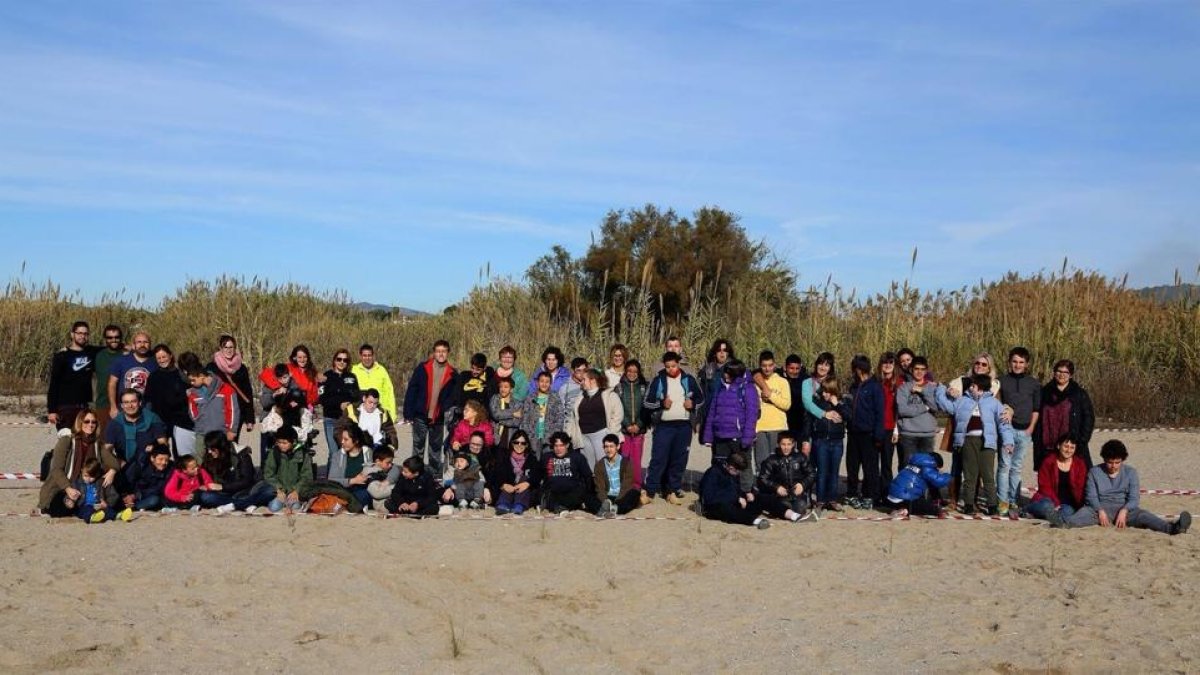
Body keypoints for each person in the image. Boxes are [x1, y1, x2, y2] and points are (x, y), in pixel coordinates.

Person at [1058, 440, 1191, 535]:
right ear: (1104, 459)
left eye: (1117, 462)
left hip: (1125, 510)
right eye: (1110, 462)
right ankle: (1060, 523)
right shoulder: (1094, 472)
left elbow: (1134, 498)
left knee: (1145, 516)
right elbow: (1091, 497)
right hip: (1098, 511)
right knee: (1078, 517)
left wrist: (1125, 510)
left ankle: (1173, 528)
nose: (1114, 466)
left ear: (1122, 460)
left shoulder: (1131, 472)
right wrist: (1100, 510)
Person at [936, 373, 1014, 516]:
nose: (970, 387)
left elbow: (1004, 423)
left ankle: (992, 505)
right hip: (967, 442)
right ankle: (969, 504)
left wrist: (1008, 442)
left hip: (987, 443)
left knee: (988, 475)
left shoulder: (993, 403)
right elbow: (946, 405)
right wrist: (940, 389)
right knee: (970, 475)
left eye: (973, 385)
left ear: (979, 388)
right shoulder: (962, 400)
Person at [642, 351, 705, 504]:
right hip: (664, 426)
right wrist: (661, 403)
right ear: (664, 366)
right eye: (668, 366)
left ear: (679, 363)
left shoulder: (688, 379)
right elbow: (646, 403)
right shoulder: (658, 380)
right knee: (658, 459)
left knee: (679, 460)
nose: (671, 369)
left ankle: (672, 491)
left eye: (674, 366)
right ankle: (649, 492)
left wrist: (693, 404)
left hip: (684, 426)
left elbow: (701, 398)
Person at [37, 410, 120, 516]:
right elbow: (56, 469)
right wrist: (67, 488)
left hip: (85, 486)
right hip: (63, 486)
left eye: (93, 422)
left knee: (111, 500)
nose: (90, 425)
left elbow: (114, 462)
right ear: (79, 422)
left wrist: (112, 471)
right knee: (64, 506)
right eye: (87, 421)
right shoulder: (67, 440)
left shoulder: (97, 443)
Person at [997, 346, 1041, 517]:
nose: (1017, 365)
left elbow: (1036, 409)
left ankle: (1014, 499)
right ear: (1009, 362)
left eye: (1021, 362)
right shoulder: (1001, 381)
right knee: (1003, 466)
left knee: (1016, 468)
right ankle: (1003, 502)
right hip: (1006, 430)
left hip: (1024, 432)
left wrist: (1031, 428)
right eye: (1014, 361)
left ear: (1026, 364)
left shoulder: (1034, 384)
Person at [403, 340, 456, 477]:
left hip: (438, 418)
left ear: (448, 353)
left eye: (444, 351)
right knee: (418, 446)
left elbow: (452, 396)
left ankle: (433, 474)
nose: (441, 354)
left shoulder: (453, 373)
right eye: (438, 351)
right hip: (421, 415)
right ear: (434, 352)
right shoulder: (423, 368)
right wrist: (408, 412)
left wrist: (446, 409)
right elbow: (412, 390)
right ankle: (416, 472)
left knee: (435, 449)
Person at [1033, 359, 1095, 469]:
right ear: (1054, 372)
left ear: (1070, 375)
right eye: (1059, 371)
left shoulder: (1079, 394)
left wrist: (1082, 440)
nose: (1062, 375)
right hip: (1048, 446)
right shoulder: (1044, 392)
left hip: (1071, 444)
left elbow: (1088, 418)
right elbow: (1037, 416)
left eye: (1065, 372)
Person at [700, 359, 759, 468]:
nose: (725, 375)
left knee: (741, 470)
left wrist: (747, 438)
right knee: (720, 468)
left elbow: (752, 415)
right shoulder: (720, 388)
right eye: (725, 372)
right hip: (720, 436)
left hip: (738, 437)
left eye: (728, 373)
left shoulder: (748, 389)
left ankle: (744, 486)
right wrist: (708, 437)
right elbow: (712, 413)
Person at [845, 355, 886, 509]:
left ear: (858, 370)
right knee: (852, 467)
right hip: (853, 433)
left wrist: (878, 435)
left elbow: (879, 413)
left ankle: (870, 495)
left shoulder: (875, 387)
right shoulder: (853, 387)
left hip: (869, 434)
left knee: (870, 468)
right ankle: (851, 493)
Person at [749, 350, 792, 493]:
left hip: (778, 427)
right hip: (760, 427)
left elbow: (787, 404)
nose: (767, 368)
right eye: (764, 365)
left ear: (775, 365)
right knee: (762, 462)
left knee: (778, 462)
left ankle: (779, 491)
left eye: (770, 365)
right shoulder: (755, 381)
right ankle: (764, 492)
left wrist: (771, 396)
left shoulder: (782, 382)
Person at [46, 321, 101, 430]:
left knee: (82, 441)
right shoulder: (61, 356)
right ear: (72, 334)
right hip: (65, 406)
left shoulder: (92, 352)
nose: (82, 336)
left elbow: (113, 348)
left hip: (84, 406)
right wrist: (52, 410)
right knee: (65, 440)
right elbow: (54, 384)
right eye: (79, 333)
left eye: (85, 334)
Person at [180, 351, 240, 450]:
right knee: (200, 460)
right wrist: (199, 421)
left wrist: (232, 430)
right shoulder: (193, 393)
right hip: (202, 432)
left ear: (201, 375)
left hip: (221, 432)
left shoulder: (226, 389)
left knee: (223, 460)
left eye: (193, 380)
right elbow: (192, 412)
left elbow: (233, 410)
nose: (191, 383)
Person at [1022, 433, 1087, 522]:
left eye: (1072, 448)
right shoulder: (1048, 462)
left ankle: (1040, 515)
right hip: (1049, 500)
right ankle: (1025, 509)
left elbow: (1081, 487)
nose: (1068, 450)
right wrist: (1056, 504)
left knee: (1066, 514)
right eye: (1066, 446)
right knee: (1046, 506)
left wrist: (1081, 505)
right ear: (1058, 446)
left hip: (1069, 504)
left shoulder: (1080, 464)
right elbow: (1044, 486)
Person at [566, 369, 623, 469]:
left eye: (584, 379)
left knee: (605, 466)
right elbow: (573, 418)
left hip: (601, 435)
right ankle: (590, 485)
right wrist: (568, 434)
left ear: (592, 380)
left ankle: (607, 485)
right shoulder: (580, 397)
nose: (581, 382)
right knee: (588, 468)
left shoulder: (609, 395)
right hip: (584, 437)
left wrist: (611, 433)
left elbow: (618, 415)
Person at [755, 431, 817, 522]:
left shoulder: (800, 457)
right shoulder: (771, 460)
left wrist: (803, 485)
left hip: (798, 495)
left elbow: (812, 474)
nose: (786, 447)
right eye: (783, 444)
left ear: (793, 444)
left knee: (800, 508)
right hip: (780, 496)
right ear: (778, 444)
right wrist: (776, 487)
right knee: (781, 507)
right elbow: (762, 479)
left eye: (789, 444)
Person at [144, 344, 194, 457]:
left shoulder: (181, 375)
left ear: (170, 356)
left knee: (181, 453)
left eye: (164, 357)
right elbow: (148, 400)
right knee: (161, 452)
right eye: (159, 358)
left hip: (181, 420)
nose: (162, 360)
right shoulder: (153, 377)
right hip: (161, 421)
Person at [697, 452, 770, 529]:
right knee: (727, 509)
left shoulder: (733, 473)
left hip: (734, 501)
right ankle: (756, 521)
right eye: (738, 471)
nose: (739, 473)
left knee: (759, 498)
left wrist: (748, 493)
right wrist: (736, 498)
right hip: (714, 506)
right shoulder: (713, 472)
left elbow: (736, 489)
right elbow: (709, 497)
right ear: (731, 467)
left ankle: (783, 512)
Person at [809, 377, 850, 511]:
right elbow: (809, 418)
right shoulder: (818, 402)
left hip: (837, 441)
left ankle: (832, 499)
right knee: (822, 471)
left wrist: (837, 404)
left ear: (834, 391)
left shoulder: (843, 402)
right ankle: (820, 500)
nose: (824, 394)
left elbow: (849, 417)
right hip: (821, 440)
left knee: (834, 471)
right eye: (823, 391)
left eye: (828, 392)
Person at [103, 389, 169, 468]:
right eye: (126, 402)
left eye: (133, 401)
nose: (130, 406)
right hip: (123, 466)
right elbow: (107, 449)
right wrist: (114, 466)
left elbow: (163, 444)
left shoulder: (152, 419)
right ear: (121, 405)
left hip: (150, 465)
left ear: (140, 403)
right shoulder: (115, 424)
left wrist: (155, 448)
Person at [207, 335, 255, 440]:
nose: (229, 350)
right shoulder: (212, 367)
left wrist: (249, 418)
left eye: (231, 347)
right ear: (220, 348)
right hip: (219, 412)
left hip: (236, 412)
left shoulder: (241, 368)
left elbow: (247, 393)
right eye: (226, 347)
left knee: (232, 443)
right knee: (217, 444)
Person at [318, 348, 361, 463]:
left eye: (345, 360)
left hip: (347, 420)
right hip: (331, 419)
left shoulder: (352, 377)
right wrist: (339, 404)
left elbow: (357, 396)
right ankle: (330, 479)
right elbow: (322, 399)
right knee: (334, 452)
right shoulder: (325, 377)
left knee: (347, 451)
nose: (342, 362)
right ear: (334, 360)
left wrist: (350, 404)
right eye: (339, 359)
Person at [540, 432, 599, 514]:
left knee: (584, 493)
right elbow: (539, 475)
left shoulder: (577, 457)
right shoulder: (546, 457)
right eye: (556, 446)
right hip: (554, 492)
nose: (558, 449)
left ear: (567, 445)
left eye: (561, 445)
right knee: (547, 496)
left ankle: (601, 510)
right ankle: (560, 507)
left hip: (572, 492)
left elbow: (587, 476)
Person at [895, 356, 940, 463]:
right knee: (910, 468)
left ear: (926, 371)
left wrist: (922, 391)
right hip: (909, 435)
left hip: (927, 435)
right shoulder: (903, 388)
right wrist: (924, 407)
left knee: (926, 469)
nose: (919, 372)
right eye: (916, 369)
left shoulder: (932, 388)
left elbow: (936, 407)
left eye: (922, 369)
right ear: (911, 370)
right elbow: (902, 410)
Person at [199, 431, 257, 512]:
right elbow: (202, 475)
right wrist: (203, 486)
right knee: (205, 496)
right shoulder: (209, 456)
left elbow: (246, 480)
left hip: (241, 492)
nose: (209, 452)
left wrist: (223, 487)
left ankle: (238, 503)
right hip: (220, 494)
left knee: (267, 492)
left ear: (221, 447)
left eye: (212, 449)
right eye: (208, 449)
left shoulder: (241, 454)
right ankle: (241, 504)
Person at [261, 425, 315, 513]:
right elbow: (268, 474)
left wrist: (296, 490)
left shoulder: (303, 454)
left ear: (293, 442)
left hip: (295, 492)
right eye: (279, 442)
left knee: (295, 507)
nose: (281, 445)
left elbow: (307, 476)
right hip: (279, 491)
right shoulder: (274, 453)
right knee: (274, 507)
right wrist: (278, 489)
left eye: (285, 443)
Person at [614, 359, 649, 490]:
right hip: (624, 430)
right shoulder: (619, 387)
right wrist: (627, 424)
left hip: (639, 430)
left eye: (635, 371)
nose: (632, 374)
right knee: (624, 458)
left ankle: (636, 485)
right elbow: (618, 408)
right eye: (629, 371)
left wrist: (639, 425)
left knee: (636, 459)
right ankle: (623, 484)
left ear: (639, 372)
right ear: (625, 371)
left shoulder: (644, 387)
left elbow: (647, 409)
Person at [106, 331, 157, 420]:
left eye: (145, 342)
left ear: (150, 345)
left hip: (147, 409)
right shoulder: (121, 361)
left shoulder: (155, 363)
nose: (142, 345)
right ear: (133, 345)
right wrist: (113, 407)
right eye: (139, 342)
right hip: (124, 408)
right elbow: (112, 384)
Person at [885, 452, 952, 517]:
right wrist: (949, 476)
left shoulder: (914, 462)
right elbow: (939, 481)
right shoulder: (927, 466)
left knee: (928, 484)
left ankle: (899, 508)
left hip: (890, 499)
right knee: (932, 509)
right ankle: (904, 510)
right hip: (905, 499)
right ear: (936, 463)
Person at [65, 458, 130, 523]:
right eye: (85, 476)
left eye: (91, 477)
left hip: (99, 506)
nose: (88, 479)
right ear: (82, 471)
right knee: (87, 510)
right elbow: (68, 496)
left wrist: (106, 504)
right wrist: (69, 502)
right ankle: (92, 517)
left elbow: (114, 495)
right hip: (84, 506)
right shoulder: (77, 483)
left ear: (97, 474)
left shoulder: (102, 482)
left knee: (108, 511)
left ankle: (119, 515)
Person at [326, 426, 377, 509]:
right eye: (342, 439)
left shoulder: (367, 453)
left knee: (365, 495)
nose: (342, 442)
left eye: (346, 439)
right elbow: (332, 480)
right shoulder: (337, 456)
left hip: (362, 490)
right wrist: (352, 481)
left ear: (356, 441)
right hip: (343, 490)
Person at [492, 431, 542, 515]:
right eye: (516, 442)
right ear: (512, 443)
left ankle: (519, 505)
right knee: (506, 483)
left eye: (523, 443)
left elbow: (537, 475)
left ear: (527, 445)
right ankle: (503, 504)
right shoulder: (504, 457)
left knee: (525, 478)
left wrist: (527, 483)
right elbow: (496, 474)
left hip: (523, 491)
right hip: (508, 489)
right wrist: (503, 485)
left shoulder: (531, 459)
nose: (519, 445)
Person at [518, 370, 566, 456]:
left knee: (547, 464)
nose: (544, 384)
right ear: (537, 383)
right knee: (534, 463)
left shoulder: (555, 398)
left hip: (549, 438)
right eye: (542, 381)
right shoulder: (530, 398)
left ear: (551, 383)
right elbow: (525, 418)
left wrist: (553, 435)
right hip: (533, 437)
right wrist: (528, 435)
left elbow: (560, 417)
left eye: (547, 382)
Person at [593, 434, 642, 517]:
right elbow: (600, 488)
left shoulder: (627, 463)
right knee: (588, 496)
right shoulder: (599, 465)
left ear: (618, 446)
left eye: (611, 446)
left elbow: (626, 486)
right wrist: (605, 500)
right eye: (606, 447)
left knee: (635, 493)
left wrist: (617, 502)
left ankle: (615, 509)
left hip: (622, 495)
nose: (608, 450)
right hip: (607, 496)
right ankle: (607, 509)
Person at [800, 352, 838, 455]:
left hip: (829, 431)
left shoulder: (834, 383)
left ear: (830, 368)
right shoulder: (807, 382)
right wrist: (824, 414)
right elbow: (807, 404)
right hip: (811, 427)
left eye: (827, 365)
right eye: (821, 364)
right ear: (816, 365)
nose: (823, 367)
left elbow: (839, 404)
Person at [163, 454, 229, 510]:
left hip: (197, 497)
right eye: (193, 468)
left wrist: (206, 487)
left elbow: (210, 484)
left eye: (196, 466)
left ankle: (230, 502)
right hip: (182, 500)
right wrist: (183, 497)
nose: (196, 469)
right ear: (184, 470)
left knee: (207, 496)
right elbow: (169, 492)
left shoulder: (201, 472)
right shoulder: (177, 476)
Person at [876, 352, 901, 495]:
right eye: (885, 362)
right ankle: (873, 493)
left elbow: (899, 409)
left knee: (886, 463)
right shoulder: (875, 382)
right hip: (875, 428)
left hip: (890, 428)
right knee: (872, 463)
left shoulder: (899, 383)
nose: (887, 365)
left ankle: (887, 493)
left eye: (891, 362)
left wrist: (896, 430)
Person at [447, 352, 498, 424]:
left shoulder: (489, 380)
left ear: (484, 368)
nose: (474, 372)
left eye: (478, 369)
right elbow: (456, 394)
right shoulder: (464, 376)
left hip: (480, 417)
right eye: (472, 368)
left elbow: (491, 399)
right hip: (463, 415)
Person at [93, 324, 126, 430]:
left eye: (117, 337)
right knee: (104, 441)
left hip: (124, 404)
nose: (114, 340)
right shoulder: (98, 355)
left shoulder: (127, 355)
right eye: (110, 337)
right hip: (103, 404)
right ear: (105, 339)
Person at [353, 343, 397, 421]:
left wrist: (392, 415)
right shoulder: (354, 370)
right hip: (359, 415)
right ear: (360, 356)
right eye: (364, 355)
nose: (367, 358)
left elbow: (389, 393)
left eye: (369, 355)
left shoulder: (381, 370)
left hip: (379, 415)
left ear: (373, 356)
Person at [122, 446, 173, 511]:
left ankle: (134, 507)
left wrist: (135, 496)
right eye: (160, 459)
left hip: (147, 496)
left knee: (155, 500)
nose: (164, 463)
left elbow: (158, 489)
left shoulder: (169, 470)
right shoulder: (141, 465)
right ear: (152, 458)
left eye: (166, 460)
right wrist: (126, 495)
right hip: (131, 494)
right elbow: (128, 479)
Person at [781, 354, 810, 449]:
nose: (794, 371)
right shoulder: (779, 377)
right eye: (791, 368)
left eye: (797, 368)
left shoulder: (806, 379)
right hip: (785, 423)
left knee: (803, 455)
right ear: (785, 367)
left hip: (802, 422)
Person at [488, 376, 522, 449]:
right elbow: (496, 414)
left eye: (506, 387)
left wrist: (499, 421)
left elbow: (517, 422)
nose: (503, 389)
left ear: (511, 389)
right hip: (496, 439)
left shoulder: (518, 404)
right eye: (501, 387)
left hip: (510, 439)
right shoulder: (495, 398)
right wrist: (513, 414)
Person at [560, 357, 589, 424]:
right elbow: (561, 411)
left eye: (584, 370)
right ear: (572, 371)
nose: (582, 373)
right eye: (579, 370)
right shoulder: (565, 387)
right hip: (571, 425)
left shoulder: (591, 384)